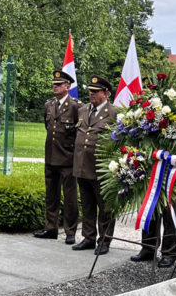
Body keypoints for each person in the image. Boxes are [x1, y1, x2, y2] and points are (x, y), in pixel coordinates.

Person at [72, 76, 116, 255]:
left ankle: (104, 241)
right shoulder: (82, 110)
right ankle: (88, 237)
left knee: (105, 207)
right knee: (87, 205)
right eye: (90, 91)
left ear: (105, 94)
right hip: (82, 165)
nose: (91, 94)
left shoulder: (114, 113)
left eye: (95, 91)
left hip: (101, 169)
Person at [35, 70, 80, 243]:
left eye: (59, 84)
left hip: (67, 159)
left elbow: (77, 132)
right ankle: (50, 228)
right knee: (51, 195)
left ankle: (70, 232)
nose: (55, 86)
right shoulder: (49, 105)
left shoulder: (75, 106)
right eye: (54, 84)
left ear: (67, 87)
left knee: (69, 198)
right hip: (51, 157)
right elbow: (48, 127)